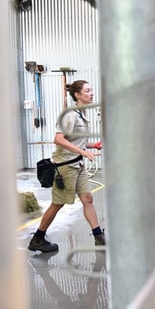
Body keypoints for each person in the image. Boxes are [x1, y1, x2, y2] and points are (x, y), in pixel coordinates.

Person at [28, 80, 105, 253]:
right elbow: (59, 139)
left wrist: (92, 146)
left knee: (87, 199)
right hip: (65, 167)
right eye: (88, 90)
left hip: (77, 164)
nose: (91, 93)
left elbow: (76, 140)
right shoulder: (69, 115)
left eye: (91, 90)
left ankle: (99, 238)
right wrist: (83, 152)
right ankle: (38, 239)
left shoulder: (81, 114)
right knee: (57, 204)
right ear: (78, 95)